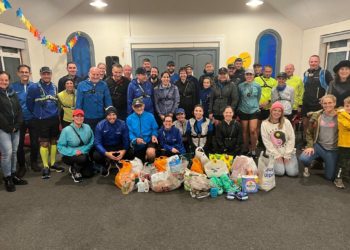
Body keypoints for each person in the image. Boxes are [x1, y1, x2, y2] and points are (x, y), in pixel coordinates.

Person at [27, 66, 64, 179]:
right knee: (44, 143)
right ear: (40, 74)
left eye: (48, 74)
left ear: (51, 74)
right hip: (41, 119)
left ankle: (52, 164)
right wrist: (37, 113)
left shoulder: (54, 86)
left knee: (53, 141)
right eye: (44, 74)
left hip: (53, 118)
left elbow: (56, 102)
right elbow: (29, 104)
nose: (46, 76)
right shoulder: (34, 87)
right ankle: (45, 166)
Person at [299, 94, 338, 181]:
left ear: (335, 103)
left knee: (330, 177)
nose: (327, 105)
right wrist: (309, 146)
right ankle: (309, 165)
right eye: (325, 103)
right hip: (319, 146)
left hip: (332, 149)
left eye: (330, 103)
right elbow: (309, 132)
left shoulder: (340, 116)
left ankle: (323, 161)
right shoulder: (317, 115)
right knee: (304, 158)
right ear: (322, 104)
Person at [0, 71, 27, 192]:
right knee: (7, 153)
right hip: (3, 129)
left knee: (15, 151)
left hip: (15, 128)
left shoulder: (12, 92)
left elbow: (19, 110)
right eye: (1, 80)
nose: (4, 82)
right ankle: (7, 178)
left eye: (6, 80)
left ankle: (13, 175)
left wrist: (17, 124)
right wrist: (8, 127)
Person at [11, 65, 40, 176]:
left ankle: (34, 162)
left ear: (30, 73)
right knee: (19, 145)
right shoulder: (13, 87)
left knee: (34, 142)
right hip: (19, 120)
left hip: (33, 118)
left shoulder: (35, 86)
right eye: (22, 72)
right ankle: (22, 165)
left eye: (26, 72)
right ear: (18, 73)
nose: (24, 74)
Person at [261, 102, 298, 177]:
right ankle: (267, 161)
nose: (277, 113)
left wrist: (287, 155)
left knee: (292, 173)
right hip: (274, 153)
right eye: (275, 110)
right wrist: (277, 155)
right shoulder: (264, 124)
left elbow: (291, 138)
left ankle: (288, 161)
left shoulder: (286, 122)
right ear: (271, 111)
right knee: (280, 171)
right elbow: (267, 142)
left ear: (282, 113)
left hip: (287, 151)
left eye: (279, 111)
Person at [57, 109, 94, 183]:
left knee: (88, 174)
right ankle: (75, 168)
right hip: (71, 155)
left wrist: (83, 150)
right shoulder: (66, 130)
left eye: (81, 116)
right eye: (77, 116)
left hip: (84, 152)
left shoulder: (87, 127)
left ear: (84, 118)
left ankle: (79, 167)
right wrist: (73, 152)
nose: (79, 118)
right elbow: (60, 146)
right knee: (82, 158)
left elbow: (92, 141)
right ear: (73, 118)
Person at [302, 55, 333, 139]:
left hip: (318, 104)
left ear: (319, 62)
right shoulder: (306, 73)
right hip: (306, 103)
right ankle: (306, 141)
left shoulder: (324, 72)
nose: (313, 63)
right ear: (309, 62)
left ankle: (315, 143)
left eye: (315, 61)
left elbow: (332, 85)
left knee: (315, 124)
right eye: (311, 61)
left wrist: (326, 97)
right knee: (305, 124)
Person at [94, 107, 130, 176]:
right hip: (106, 147)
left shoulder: (122, 124)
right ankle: (106, 162)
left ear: (116, 115)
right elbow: (97, 143)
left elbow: (126, 139)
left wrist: (123, 151)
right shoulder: (100, 125)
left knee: (131, 152)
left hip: (118, 146)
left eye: (113, 114)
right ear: (106, 116)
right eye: (109, 115)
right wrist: (106, 153)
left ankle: (119, 161)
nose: (112, 117)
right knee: (96, 155)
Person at [76, 67, 113, 131]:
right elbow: (79, 103)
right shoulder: (81, 85)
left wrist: (110, 114)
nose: (95, 77)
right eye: (93, 74)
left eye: (97, 74)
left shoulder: (104, 85)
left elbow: (108, 101)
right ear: (89, 74)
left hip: (101, 117)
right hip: (87, 117)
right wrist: (78, 117)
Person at [237, 69, 262, 157]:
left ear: (254, 75)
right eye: (247, 74)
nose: (249, 76)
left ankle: (254, 148)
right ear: (245, 76)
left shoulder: (257, 86)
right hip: (243, 109)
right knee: (244, 131)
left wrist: (256, 106)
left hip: (254, 110)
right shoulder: (240, 86)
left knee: (252, 130)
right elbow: (239, 98)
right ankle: (246, 148)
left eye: (251, 74)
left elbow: (258, 97)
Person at [126, 98, 158, 162]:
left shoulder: (150, 116)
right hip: (137, 143)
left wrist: (154, 135)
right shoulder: (129, 118)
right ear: (133, 107)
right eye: (136, 106)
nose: (139, 108)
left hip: (149, 141)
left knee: (150, 153)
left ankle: (151, 163)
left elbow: (155, 128)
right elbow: (130, 132)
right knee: (139, 162)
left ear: (143, 106)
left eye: (140, 106)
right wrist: (135, 140)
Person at [334, 97, 350, 188]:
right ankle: (338, 178)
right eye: (347, 106)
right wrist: (344, 112)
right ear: (344, 106)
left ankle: (346, 176)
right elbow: (348, 125)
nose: (349, 108)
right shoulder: (341, 115)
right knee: (342, 162)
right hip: (344, 144)